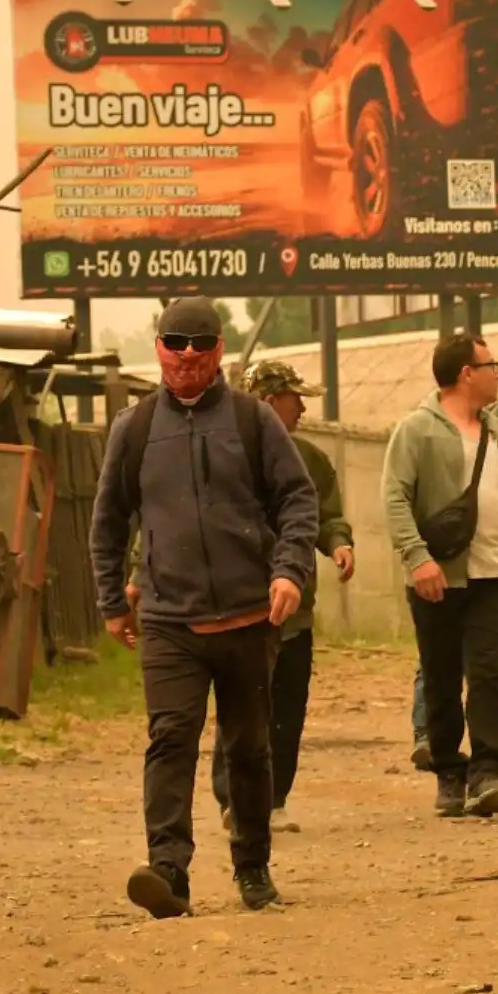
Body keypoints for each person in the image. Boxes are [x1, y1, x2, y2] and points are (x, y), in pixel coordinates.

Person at [91, 297, 319, 917]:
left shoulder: (253, 421)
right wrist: (113, 599)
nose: (187, 354)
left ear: (218, 350)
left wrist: (289, 570)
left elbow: (298, 500)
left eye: (200, 342)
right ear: (159, 348)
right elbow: (108, 520)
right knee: (170, 739)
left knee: (247, 747)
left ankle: (253, 868)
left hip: (250, 617)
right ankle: (168, 873)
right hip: (169, 620)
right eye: (175, 341)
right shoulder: (134, 428)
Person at [382, 333, 498, 818]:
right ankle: (450, 773)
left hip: (496, 575)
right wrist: (418, 559)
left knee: (488, 672)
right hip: (437, 578)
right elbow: (394, 499)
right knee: (440, 677)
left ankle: (488, 773)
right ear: (465, 374)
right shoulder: (417, 430)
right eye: (491, 364)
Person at [203, 360, 356, 834]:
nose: (304, 407)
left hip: (295, 610)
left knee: (288, 705)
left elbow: (324, 514)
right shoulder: (223, 454)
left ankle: (274, 799)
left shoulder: (310, 459)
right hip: (241, 605)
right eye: (295, 398)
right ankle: (233, 799)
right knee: (242, 704)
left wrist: (339, 543)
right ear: (270, 403)